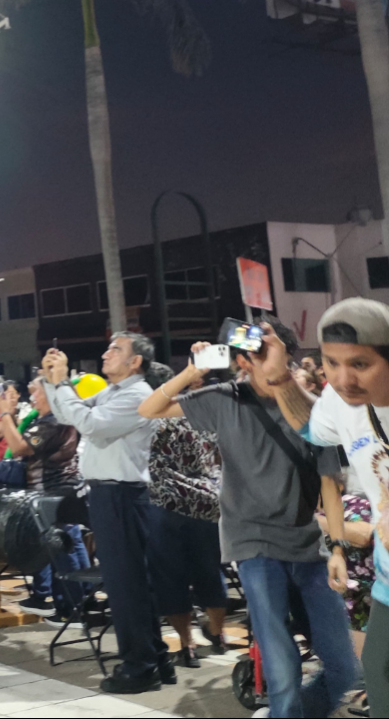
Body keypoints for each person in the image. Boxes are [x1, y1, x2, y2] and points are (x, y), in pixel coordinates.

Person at [139, 320, 358, 718]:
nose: (248, 359)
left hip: (307, 544)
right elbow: (149, 409)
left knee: (344, 668)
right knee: (280, 662)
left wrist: (338, 547)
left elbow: (330, 484)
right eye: (247, 353)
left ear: (285, 356)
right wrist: (193, 371)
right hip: (252, 543)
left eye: (260, 350)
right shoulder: (225, 397)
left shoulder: (315, 410)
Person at [267, 298, 389, 717]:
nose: (342, 379)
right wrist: (280, 378)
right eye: (331, 363)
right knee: (379, 671)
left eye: (359, 364)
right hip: (388, 575)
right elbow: (311, 426)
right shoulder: (342, 403)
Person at [42, 334, 170, 695]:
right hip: (112, 495)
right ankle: (154, 658)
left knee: (124, 585)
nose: (105, 353)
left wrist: (62, 383)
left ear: (135, 363)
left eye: (116, 350)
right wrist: (55, 381)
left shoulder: (137, 394)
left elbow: (92, 425)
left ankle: (139, 667)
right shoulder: (117, 392)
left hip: (121, 495)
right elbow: (71, 413)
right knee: (132, 583)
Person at [142, 365, 228, 668]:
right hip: (207, 503)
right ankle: (218, 634)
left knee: (170, 578)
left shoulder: (155, 418)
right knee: (210, 571)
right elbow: (220, 455)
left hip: (167, 504)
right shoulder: (208, 412)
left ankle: (187, 645)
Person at [0, 376, 90, 618]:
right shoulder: (57, 419)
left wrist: (5, 414)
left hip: (53, 492)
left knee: (61, 549)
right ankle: (82, 601)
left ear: (50, 395)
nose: (32, 397)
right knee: (72, 543)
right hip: (64, 490)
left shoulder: (53, 423)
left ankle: (70, 608)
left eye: (36, 392)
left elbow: (19, 448)